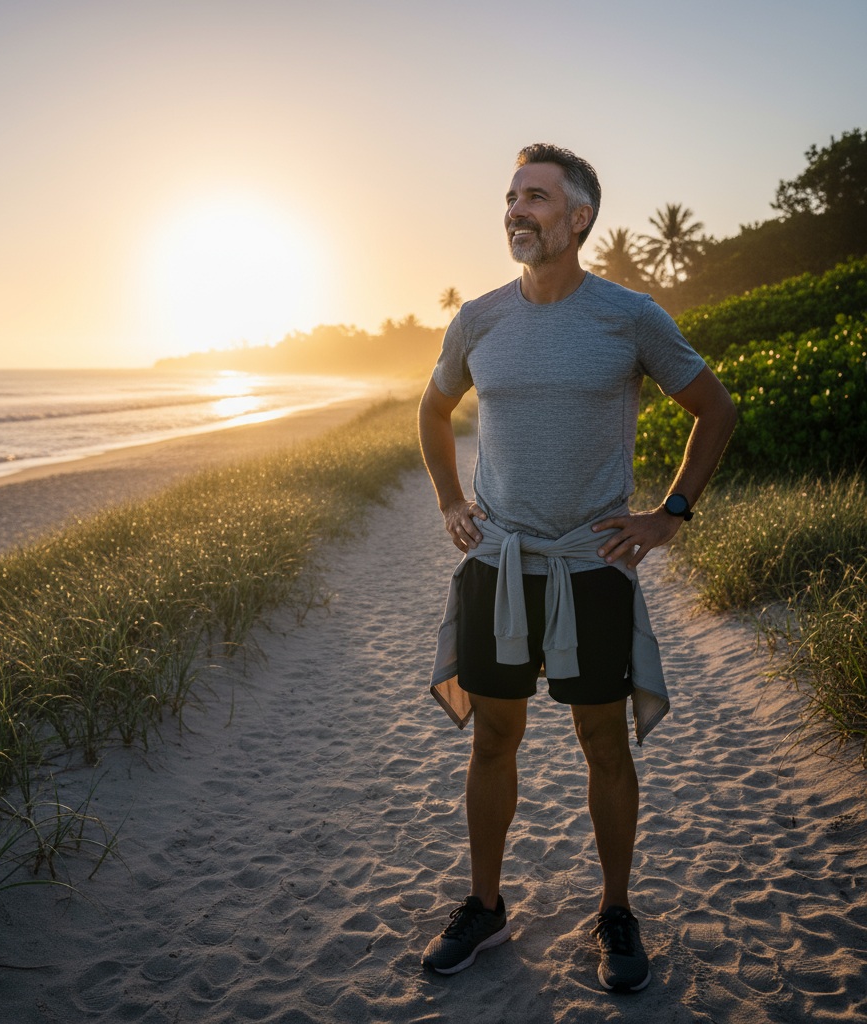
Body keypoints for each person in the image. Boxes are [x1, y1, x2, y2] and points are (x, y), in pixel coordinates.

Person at [417, 143, 737, 992]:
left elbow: (715, 407)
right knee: (493, 738)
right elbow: (434, 405)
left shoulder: (630, 317)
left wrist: (669, 514)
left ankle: (616, 909)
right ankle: (485, 905)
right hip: (498, 563)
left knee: (603, 743)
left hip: (592, 567)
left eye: (536, 197)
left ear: (579, 217)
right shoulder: (479, 318)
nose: (517, 210)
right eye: (512, 196)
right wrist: (452, 498)